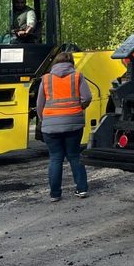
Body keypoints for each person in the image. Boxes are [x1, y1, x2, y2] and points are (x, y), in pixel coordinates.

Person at [36, 51, 92, 202]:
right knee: (74, 156)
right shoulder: (77, 76)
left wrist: (45, 120)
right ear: (71, 63)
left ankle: (55, 194)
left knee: (55, 158)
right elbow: (87, 97)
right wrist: (79, 108)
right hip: (74, 123)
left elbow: (39, 104)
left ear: (55, 63)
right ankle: (81, 189)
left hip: (50, 125)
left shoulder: (46, 79)